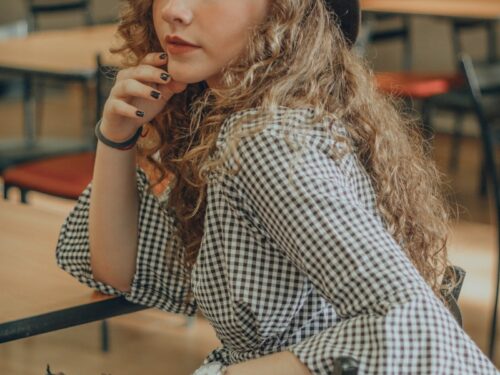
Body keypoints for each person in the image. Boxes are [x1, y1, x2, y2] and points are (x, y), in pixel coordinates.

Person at [55, 0, 498, 374]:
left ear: (282, 10)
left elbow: (414, 325)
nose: (174, 10)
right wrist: (116, 133)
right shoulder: (256, 117)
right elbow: (118, 268)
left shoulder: (264, 141)